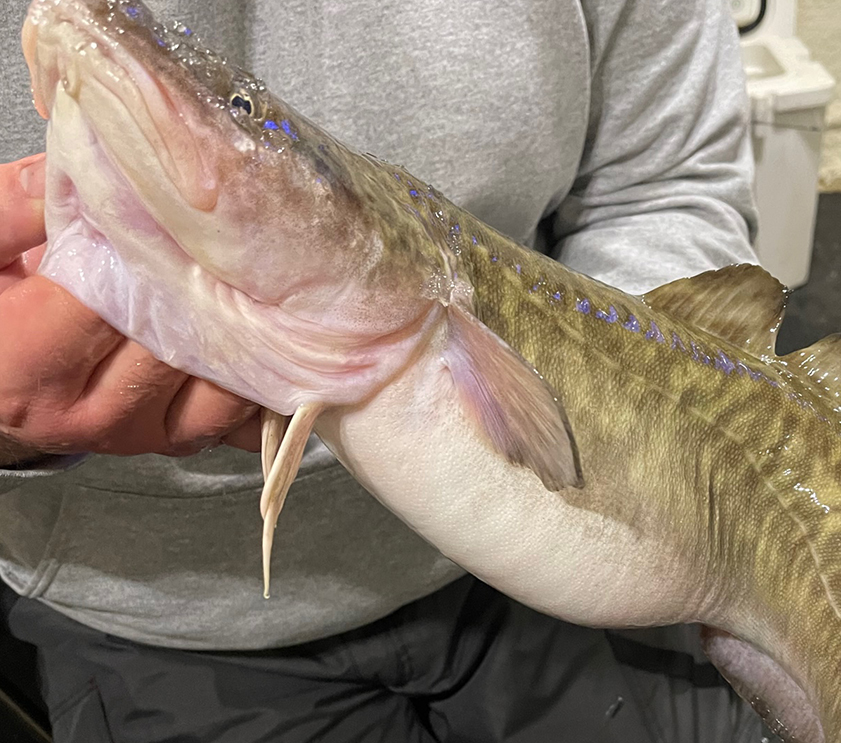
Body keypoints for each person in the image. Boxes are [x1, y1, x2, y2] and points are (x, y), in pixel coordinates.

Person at [0, 0, 763, 740]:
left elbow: (666, 180)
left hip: (590, 550)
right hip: (159, 620)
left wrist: (644, 426)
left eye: (237, 110)